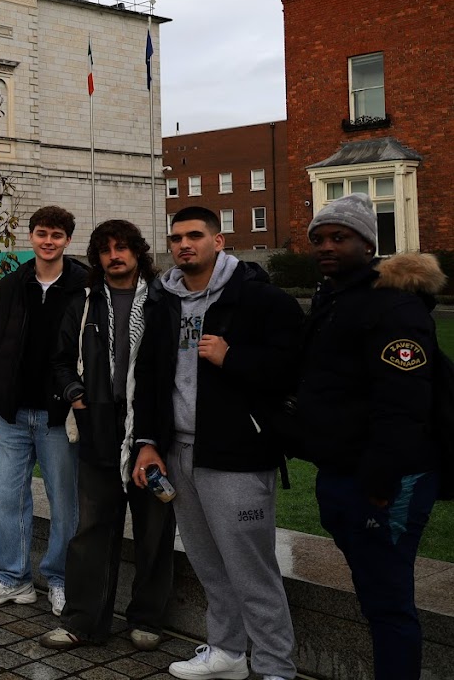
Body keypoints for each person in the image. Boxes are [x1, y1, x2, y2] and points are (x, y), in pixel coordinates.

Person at [132, 207, 302, 680]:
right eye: (176, 238)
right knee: (208, 563)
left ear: (219, 241)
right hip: (178, 452)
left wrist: (234, 358)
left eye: (194, 236)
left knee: (251, 568)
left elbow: (291, 373)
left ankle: (275, 667)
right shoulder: (163, 300)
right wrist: (147, 442)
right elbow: (147, 378)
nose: (184, 244)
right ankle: (227, 652)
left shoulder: (260, 299)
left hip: (237, 453)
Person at [297, 195, 444, 680]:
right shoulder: (333, 298)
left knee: (388, 603)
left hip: (386, 482)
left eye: (339, 237)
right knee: (373, 594)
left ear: (367, 243)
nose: (326, 246)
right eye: (319, 239)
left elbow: (403, 403)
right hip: (342, 471)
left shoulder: (394, 306)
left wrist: (380, 482)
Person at [40, 220, 174, 652]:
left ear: (137, 251)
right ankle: (84, 620)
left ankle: (148, 618)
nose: (115, 255)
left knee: (154, 527)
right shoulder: (83, 302)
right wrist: (73, 391)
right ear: (96, 257)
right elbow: (58, 360)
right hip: (97, 425)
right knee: (92, 527)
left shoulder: (162, 300)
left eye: (122, 248)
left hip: (150, 428)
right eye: (105, 250)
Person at [0, 206, 85, 614]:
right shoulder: (10, 285)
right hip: (14, 414)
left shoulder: (83, 286)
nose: (48, 241)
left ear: (67, 241)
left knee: (64, 502)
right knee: (9, 498)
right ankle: (14, 579)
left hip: (59, 415)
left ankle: (59, 579)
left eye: (56, 235)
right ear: (32, 236)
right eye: (42, 233)